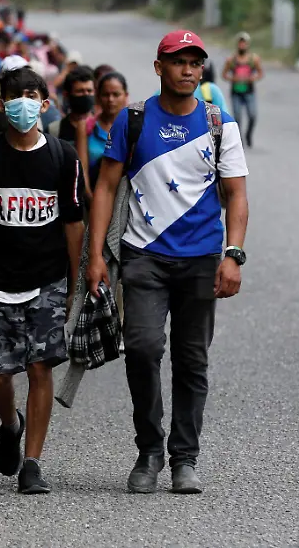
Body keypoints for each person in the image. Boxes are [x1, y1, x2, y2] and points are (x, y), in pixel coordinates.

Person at [86, 30, 249, 495]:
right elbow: (104, 187)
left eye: (195, 62)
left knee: (192, 360)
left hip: (200, 259)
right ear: (159, 67)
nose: (188, 70)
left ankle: (184, 458)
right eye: (179, 62)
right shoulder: (132, 121)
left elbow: (237, 195)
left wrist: (233, 255)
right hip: (144, 256)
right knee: (141, 348)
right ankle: (149, 450)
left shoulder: (221, 125)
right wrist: (95, 256)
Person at [0, 66, 86, 495]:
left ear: (45, 104)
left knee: (39, 366)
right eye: (15, 95)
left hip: (47, 279)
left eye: (32, 95)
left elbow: (73, 222)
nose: (24, 103)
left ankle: (32, 462)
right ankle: (10, 424)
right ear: (1, 104)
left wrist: (74, 283)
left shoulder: (64, 157)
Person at [77, 71, 128, 198]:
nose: (111, 100)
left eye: (116, 94)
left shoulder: (135, 127)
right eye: (106, 95)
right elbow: (82, 170)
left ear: (125, 96)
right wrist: (91, 199)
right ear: (98, 97)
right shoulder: (85, 127)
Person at [221, 32, 264, 147]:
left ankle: (248, 134)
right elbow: (224, 75)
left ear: (247, 44)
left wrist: (252, 78)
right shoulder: (231, 60)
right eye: (240, 43)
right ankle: (239, 139)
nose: (242, 45)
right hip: (236, 92)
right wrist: (233, 78)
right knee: (238, 117)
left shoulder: (253, 59)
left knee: (252, 115)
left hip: (249, 91)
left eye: (244, 43)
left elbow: (260, 73)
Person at [56, 66, 96, 142]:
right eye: (80, 91)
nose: (86, 95)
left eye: (89, 91)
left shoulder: (102, 127)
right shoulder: (55, 130)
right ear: (66, 95)